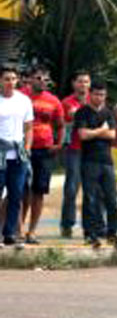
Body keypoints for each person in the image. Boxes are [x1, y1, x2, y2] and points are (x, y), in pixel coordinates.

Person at [75, 80, 117, 249]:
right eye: (96, 94)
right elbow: (83, 135)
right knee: (90, 198)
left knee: (112, 199)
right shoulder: (82, 112)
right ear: (91, 94)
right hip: (89, 160)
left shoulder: (108, 113)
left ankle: (112, 233)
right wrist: (101, 130)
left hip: (107, 161)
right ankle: (90, 233)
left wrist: (96, 132)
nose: (100, 97)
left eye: (102, 94)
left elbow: (112, 134)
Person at [21, 66, 64, 244]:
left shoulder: (54, 101)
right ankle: (17, 228)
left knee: (39, 191)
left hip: (45, 150)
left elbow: (60, 124)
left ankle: (32, 231)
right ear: (30, 79)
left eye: (46, 79)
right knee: (21, 190)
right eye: (38, 78)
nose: (42, 82)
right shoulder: (20, 97)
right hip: (22, 149)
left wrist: (59, 144)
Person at [0, 66, 33, 247]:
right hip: (0, 151)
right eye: (6, 78)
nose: (10, 82)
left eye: (13, 79)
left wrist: (27, 147)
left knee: (16, 194)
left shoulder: (24, 101)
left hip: (18, 153)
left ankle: (9, 233)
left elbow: (28, 127)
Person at [60, 71, 90, 238]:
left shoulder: (95, 102)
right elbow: (61, 124)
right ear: (74, 84)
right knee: (71, 188)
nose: (83, 85)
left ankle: (90, 226)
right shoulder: (66, 102)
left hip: (92, 151)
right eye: (80, 82)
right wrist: (71, 119)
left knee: (92, 189)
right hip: (74, 150)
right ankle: (67, 224)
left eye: (86, 82)